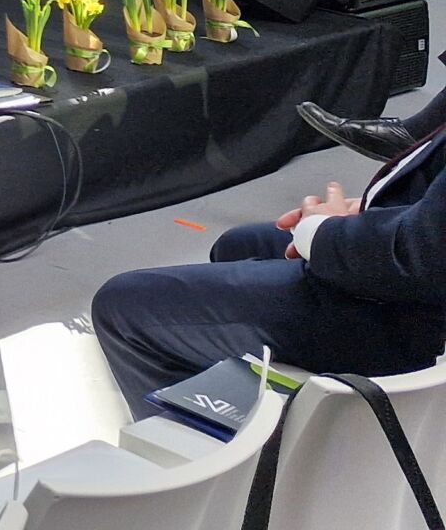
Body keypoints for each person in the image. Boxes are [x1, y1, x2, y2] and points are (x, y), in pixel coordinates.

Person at [91, 132, 446, 415]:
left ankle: (204, 470)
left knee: (124, 306)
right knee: (239, 245)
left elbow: (420, 258)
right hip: (419, 265)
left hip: (419, 314)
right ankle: (238, 421)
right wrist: (374, 208)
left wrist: (322, 231)